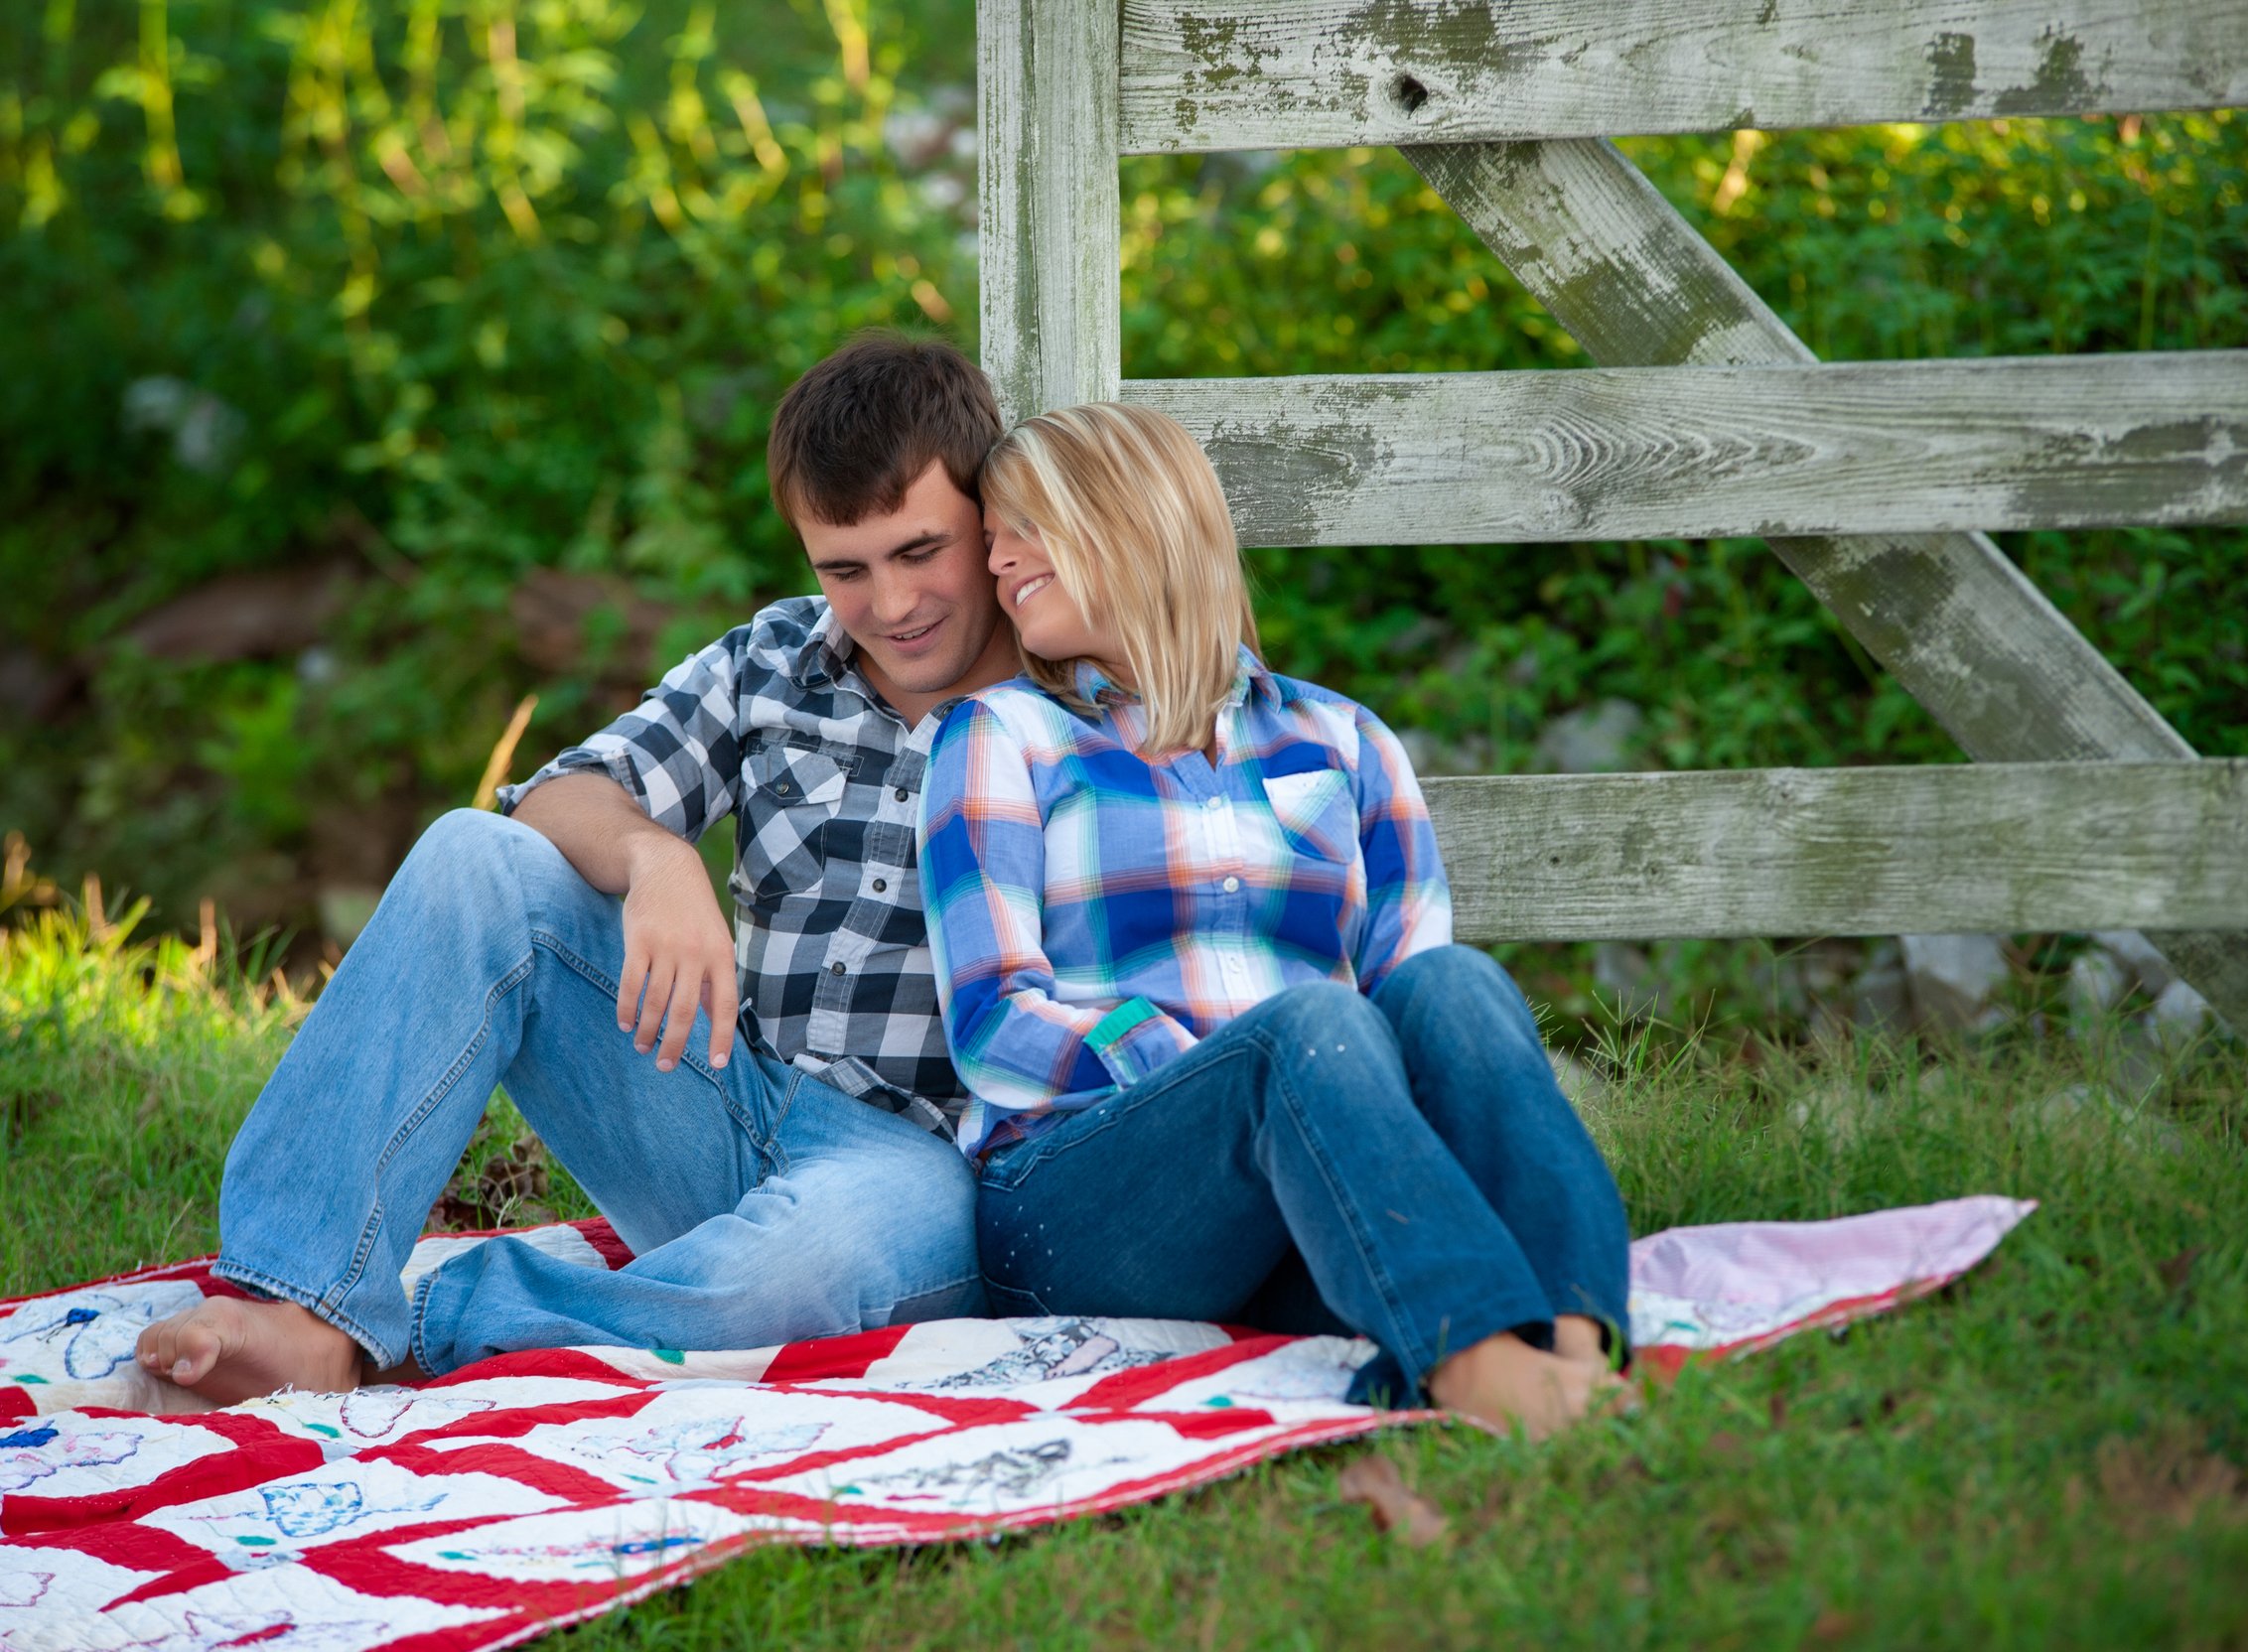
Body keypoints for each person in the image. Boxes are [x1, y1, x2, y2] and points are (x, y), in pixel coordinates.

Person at [135, 333, 1019, 1406]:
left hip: (913, 1172)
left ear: (990, 518)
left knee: (790, 1276)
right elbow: (552, 798)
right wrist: (657, 859)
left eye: (919, 551)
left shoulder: (1073, 698)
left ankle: (412, 1334)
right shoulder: (772, 663)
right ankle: (297, 1296)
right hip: (724, 1097)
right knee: (476, 856)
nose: (888, 604)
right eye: (845, 568)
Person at [917, 402, 1633, 1437]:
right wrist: (1225, 1066)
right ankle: (1476, 1365)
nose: (998, 562)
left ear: (1132, 518)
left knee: (1457, 983)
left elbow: (1415, 1000)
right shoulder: (1002, 736)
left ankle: (1576, 1342)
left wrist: (1313, 1090)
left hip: (1312, 1189)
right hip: (1085, 1201)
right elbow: (991, 1020)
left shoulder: (1342, 739)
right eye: (993, 542)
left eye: (1026, 526)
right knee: (1304, 1029)